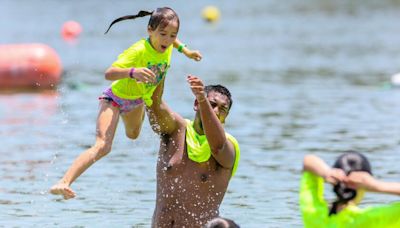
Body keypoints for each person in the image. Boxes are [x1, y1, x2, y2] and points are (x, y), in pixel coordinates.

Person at [50, 7, 202, 199]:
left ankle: (122, 118)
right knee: (103, 146)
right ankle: (64, 182)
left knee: (133, 135)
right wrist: (132, 72)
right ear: (150, 30)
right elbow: (108, 73)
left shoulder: (168, 43)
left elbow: (174, 42)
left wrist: (186, 51)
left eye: (172, 35)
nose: (167, 40)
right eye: (163, 34)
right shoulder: (138, 50)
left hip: (137, 100)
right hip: (114, 99)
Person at [146, 75, 240, 227]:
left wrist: (204, 100)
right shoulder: (176, 130)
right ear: (196, 104)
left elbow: (217, 147)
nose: (215, 111)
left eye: (222, 109)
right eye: (212, 104)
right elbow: (155, 105)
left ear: (225, 117)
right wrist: (159, 67)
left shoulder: (229, 145)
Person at [301, 151, 400, 227]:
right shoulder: (370, 219)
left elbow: (308, 160)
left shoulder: (314, 213)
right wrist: (377, 185)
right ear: (364, 184)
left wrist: (327, 172)